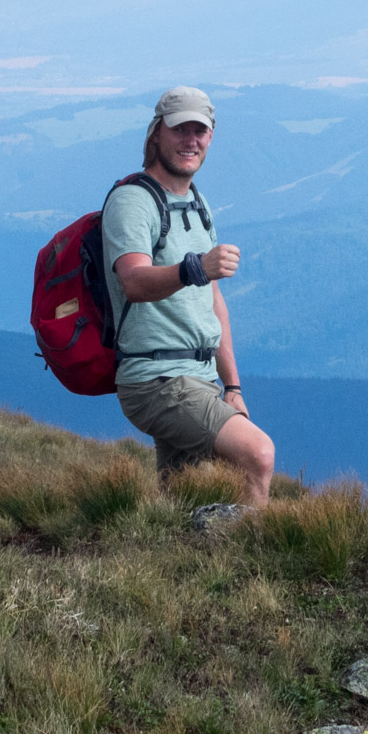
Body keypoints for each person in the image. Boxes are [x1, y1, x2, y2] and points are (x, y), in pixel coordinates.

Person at [104, 87, 277, 506]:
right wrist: (194, 267)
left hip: (198, 377)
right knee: (258, 453)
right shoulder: (133, 202)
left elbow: (213, 302)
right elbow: (134, 281)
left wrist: (231, 385)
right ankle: (254, 561)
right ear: (157, 133)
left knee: (184, 499)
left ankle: (176, 561)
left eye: (200, 130)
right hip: (156, 381)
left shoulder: (196, 203)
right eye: (180, 128)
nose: (191, 140)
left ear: (211, 137)